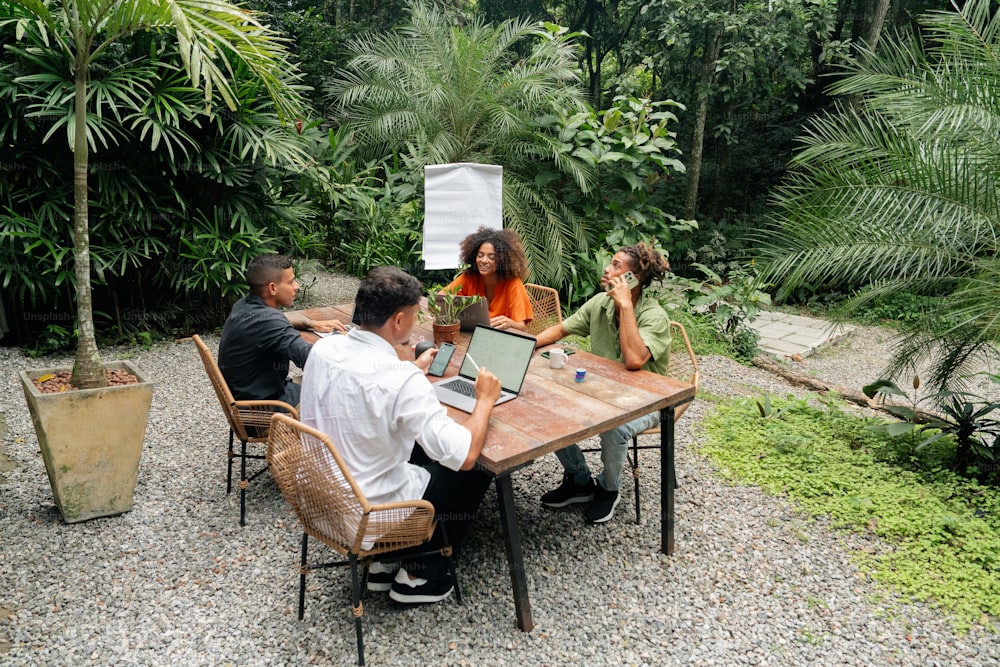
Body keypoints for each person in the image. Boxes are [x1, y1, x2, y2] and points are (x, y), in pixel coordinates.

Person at [300, 266, 502, 604]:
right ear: (397, 321)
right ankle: (421, 571)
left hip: (321, 499)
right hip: (367, 514)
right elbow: (464, 454)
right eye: (413, 315)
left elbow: (362, 388)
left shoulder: (324, 350)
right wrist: (484, 400)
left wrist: (411, 370)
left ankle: (385, 562)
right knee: (479, 465)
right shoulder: (398, 379)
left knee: (421, 448)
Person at [533, 242, 672, 524]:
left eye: (616, 266)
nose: (607, 269)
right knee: (547, 406)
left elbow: (634, 360)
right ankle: (580, 481)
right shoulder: (600, 303)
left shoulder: (653, 315)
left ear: (634, 279)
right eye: (610, 263)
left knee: (616, 427)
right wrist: (522, 344)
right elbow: (560, 329)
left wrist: (625, 307)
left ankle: (609, 488)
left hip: (648, 401)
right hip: (603, 392)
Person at [218, 254, 344, 406]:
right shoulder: (269, 321)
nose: (297, 286)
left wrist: (311, 324)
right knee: (345, 395)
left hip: (249, 399)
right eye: (291, 282)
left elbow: (276, 321)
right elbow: (312, 359)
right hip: (270, 411)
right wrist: (343, 342)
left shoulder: (244, 306)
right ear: (272, 288)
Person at [442, 226, 533, 331]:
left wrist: (510, 323)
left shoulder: (513, 284)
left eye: (491, 257)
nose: (484, 260)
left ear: (502, 260)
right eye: (480, 255)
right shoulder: (469, 278)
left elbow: (522, 327)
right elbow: (439, 300)